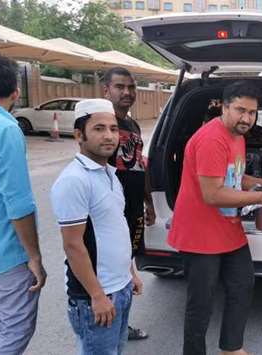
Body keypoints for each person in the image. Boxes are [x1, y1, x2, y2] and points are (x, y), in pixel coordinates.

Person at [168, 81, 262, 355]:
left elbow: (235, 178)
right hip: (200, 234)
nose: (246, 118)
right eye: (240, 110)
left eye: (252, 112)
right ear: (224, 107)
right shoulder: (212, 139)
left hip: (227, 228)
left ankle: (231, 348)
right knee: (201, 304)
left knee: (242, 286)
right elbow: (213, 194)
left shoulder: (237, 136)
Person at [50, 99, 143, 354]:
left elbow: (116, 228)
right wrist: (97, 296)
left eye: (113, 129)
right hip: (95, 296)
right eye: (99, 129)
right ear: (79, 135)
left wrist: (130, 272)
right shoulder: (74, 180)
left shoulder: (109, 174)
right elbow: (73, 244)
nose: (109, 136)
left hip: (120, 287)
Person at [0, 52, 47, 355]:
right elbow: (17, 203)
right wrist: (33, 256)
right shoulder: (5, 129)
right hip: (6, 253)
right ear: (16, 92)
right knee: (17, 326)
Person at [103, 67, 153, 341]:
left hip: (133, 209)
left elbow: (140, 166)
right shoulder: (103, 125)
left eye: (131, 87)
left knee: (126, 264)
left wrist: (149, 203)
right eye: (120, 87)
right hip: (109, 211)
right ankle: (107, 324)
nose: (127, 92)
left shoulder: (132, 125)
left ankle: (122, 324)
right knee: (109, 267)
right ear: (106, 90)